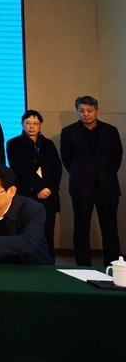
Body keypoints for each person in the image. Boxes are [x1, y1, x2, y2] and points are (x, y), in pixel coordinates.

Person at [60, 96, 123, 266]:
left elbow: (117, 157)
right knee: (81, 228)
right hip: (80, 186)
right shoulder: (68, 132)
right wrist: (82, 174)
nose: (85, 114)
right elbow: (66, 159)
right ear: (77, 111)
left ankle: (112, 266)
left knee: (110, 228)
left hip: (107, 185)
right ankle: (83, 266)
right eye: (81, 111)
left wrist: (105, 174)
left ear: (97, 111)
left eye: (89, 110)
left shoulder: (111, 130)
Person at [6, 110, 62, 256]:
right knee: (27, 231)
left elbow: (57, 168)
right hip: (27, 195)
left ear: (40, 125)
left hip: (49, 196)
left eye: (35, 123)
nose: (32, 126)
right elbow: (18, 170)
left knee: (48, 232)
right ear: (22, 124)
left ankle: (49, 262)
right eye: (28, 123)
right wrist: (37, 189)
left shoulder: (48, 144)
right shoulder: (13, 144)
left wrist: (49, 188)